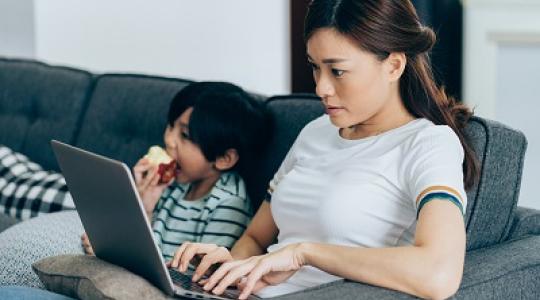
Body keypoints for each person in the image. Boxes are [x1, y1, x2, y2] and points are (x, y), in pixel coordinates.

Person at [168, 1, 480, 299]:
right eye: (316, 68)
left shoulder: (427, 144)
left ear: (394, 65)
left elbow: (439, 275)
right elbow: (254, 237)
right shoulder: (316, 132)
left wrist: (304, 253)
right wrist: (232, 268)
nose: (321, 88)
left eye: (337, 71)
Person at [82, 81, 269, 260]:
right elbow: (140, 240)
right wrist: (142, 202)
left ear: (223, 158)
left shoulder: (228, 203)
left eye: (185, 135)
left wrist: (121, 254)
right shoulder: (175, 182)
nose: (169, 140)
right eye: (171, 126)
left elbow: (198, 278)